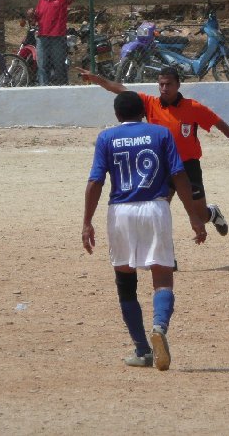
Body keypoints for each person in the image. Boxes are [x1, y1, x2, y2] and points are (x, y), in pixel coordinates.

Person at [82, 91, 206, 370]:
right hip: (155, 208)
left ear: (117, 115)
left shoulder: (106, 137)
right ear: (144, 112)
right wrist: (193, 217)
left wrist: (87, 222)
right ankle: (159, 326)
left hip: (120, 211)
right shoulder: (161, 134)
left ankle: (142, 349)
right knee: (162, 278)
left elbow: (96, 181)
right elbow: (178, 175)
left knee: (126, 283)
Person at [77, 65, 229, 238]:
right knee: (159, 213)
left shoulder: (193, 107)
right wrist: (95, 79)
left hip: (188, 166)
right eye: (161, 84)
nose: (164, 88)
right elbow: (121, 90)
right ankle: (166, 257)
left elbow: (218, 122)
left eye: (168, 84)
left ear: (178, 85)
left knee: (200, 216)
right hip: (160, 165)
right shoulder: (149, 103)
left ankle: (212, 213)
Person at [26, 0, 74, 86]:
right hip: (42, 38)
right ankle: (44, 90)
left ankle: (63, 89)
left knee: (59, 66)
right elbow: (36, 18)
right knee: (42, 67)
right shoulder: (42, 0)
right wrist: (31, 14)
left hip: (57, 38)